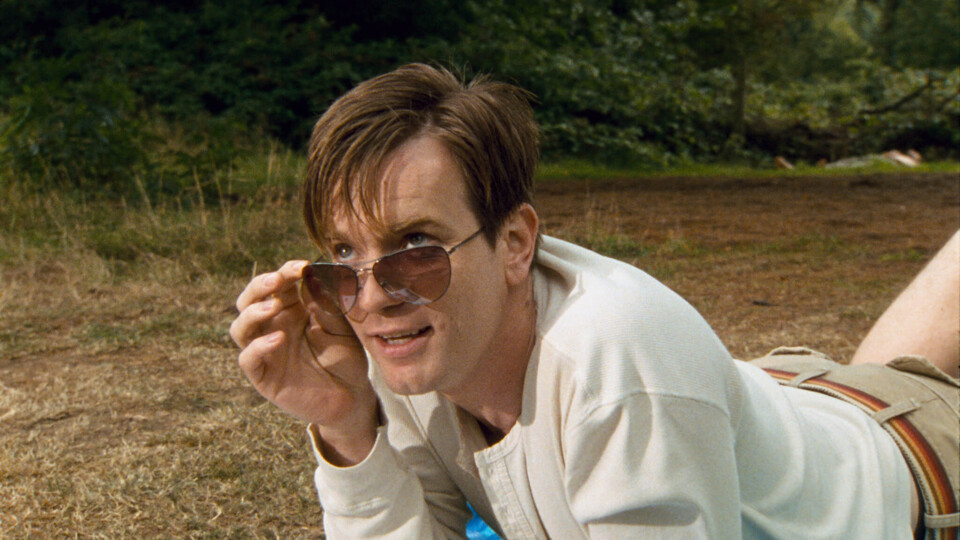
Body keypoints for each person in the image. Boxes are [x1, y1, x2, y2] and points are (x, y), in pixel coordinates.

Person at [229, 64, 959, 539]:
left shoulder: (616, 362)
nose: (371, 299)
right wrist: (348, 430)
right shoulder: (416, 339)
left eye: (416, 244)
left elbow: (623, 384)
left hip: (926, 473)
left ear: (516, 242)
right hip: (792, 403)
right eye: (342, 257)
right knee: (879, 377)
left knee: (905, 395)